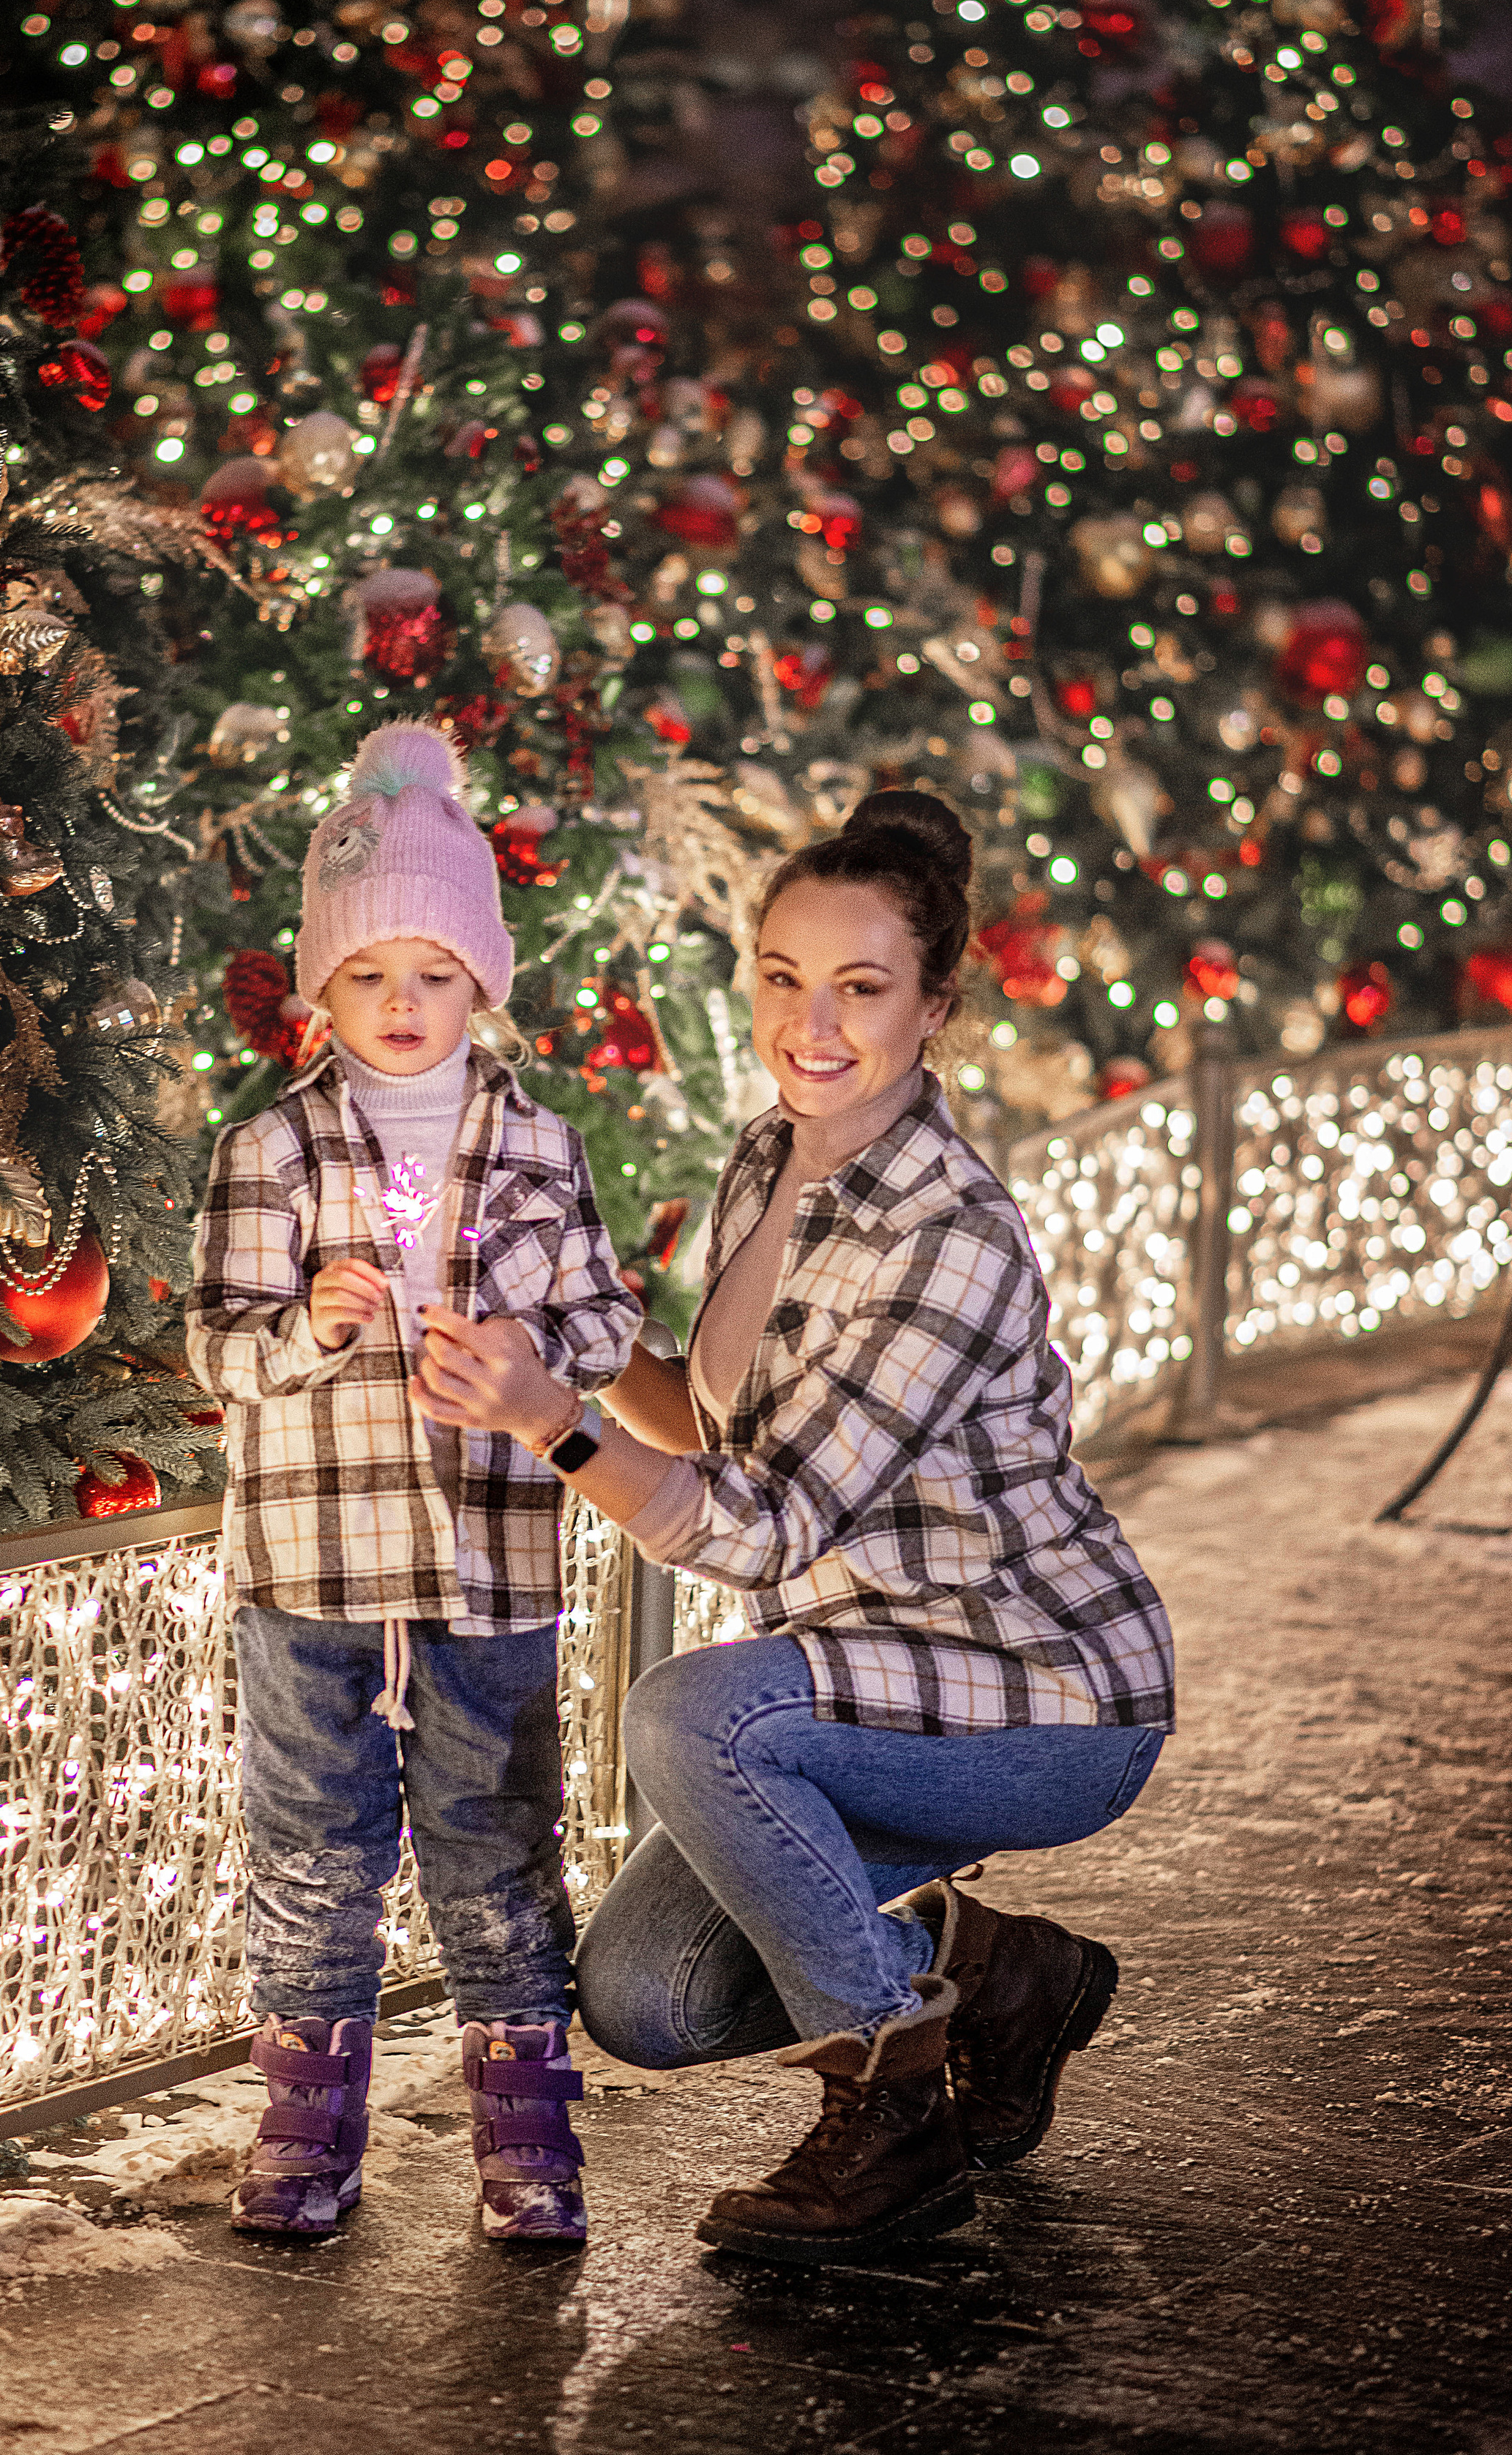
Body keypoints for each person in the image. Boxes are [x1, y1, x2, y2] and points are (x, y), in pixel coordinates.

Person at [411, 791, 1175, 2267]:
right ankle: (994, 1971)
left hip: (1043, 1689)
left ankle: (892, 2109)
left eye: (860, 986)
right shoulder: (775, 1152)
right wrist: (560, 1347)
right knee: (650, 1996)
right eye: (780, 974)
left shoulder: (946, 1234)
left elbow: (755, 1529)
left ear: (935, 1003)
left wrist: (542, 1423)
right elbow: (722, 1428)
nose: (807, 1022)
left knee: (690, 1712)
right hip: (871, 1682)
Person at [186, 722, 641, 2246]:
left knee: (495, 1842)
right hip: (311, 1565)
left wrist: (533, 1351)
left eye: (432, 973)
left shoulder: (536, 1146)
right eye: (369, 972)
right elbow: (216, 1350)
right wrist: (306, 1329)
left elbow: (606, 1318)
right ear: (321, 987)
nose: (401, 1002)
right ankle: (305, 2124)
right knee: (313, 1845)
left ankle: (527, 2132)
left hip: (488, 1562)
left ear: (480, 985)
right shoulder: (271, 1154)